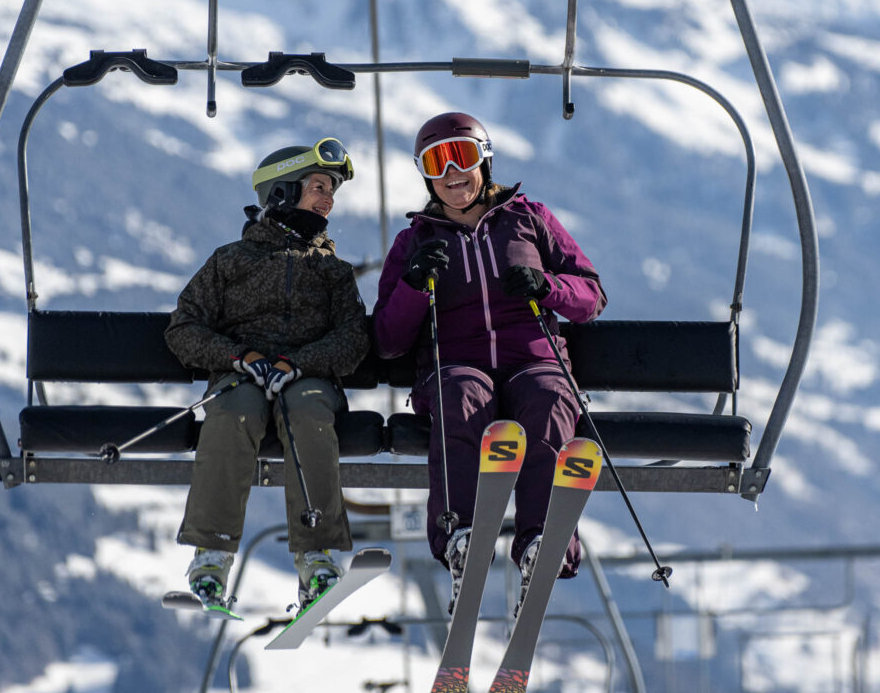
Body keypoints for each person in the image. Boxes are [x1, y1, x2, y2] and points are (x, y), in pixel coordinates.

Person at [372, 112, 607, 612]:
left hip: (534, 359)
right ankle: (463, 539)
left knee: (546, 399)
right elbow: (388, 339)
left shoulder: (529, 219)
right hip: (457, 363)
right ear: (426, 174)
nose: (454, 172)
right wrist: (415, 285)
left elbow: (591, 297)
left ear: (486, 159)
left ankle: (541, 542)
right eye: (439, 161)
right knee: (460, 397)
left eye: (464, 155)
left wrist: (548, 289)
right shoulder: (415, 241)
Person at [165, 137, 369, 609]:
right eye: (319, 186)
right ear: (281, 192)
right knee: (232, 407)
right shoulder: (230, 262)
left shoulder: (332, 271)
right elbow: (184, 328)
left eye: (332, 190)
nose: (329, 199)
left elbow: (353, 338)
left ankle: (316, 554)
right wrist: (239, 358)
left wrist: (299, 363)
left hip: (308, 379)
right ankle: (212, 552)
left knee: (307, 409)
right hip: (244, 376)